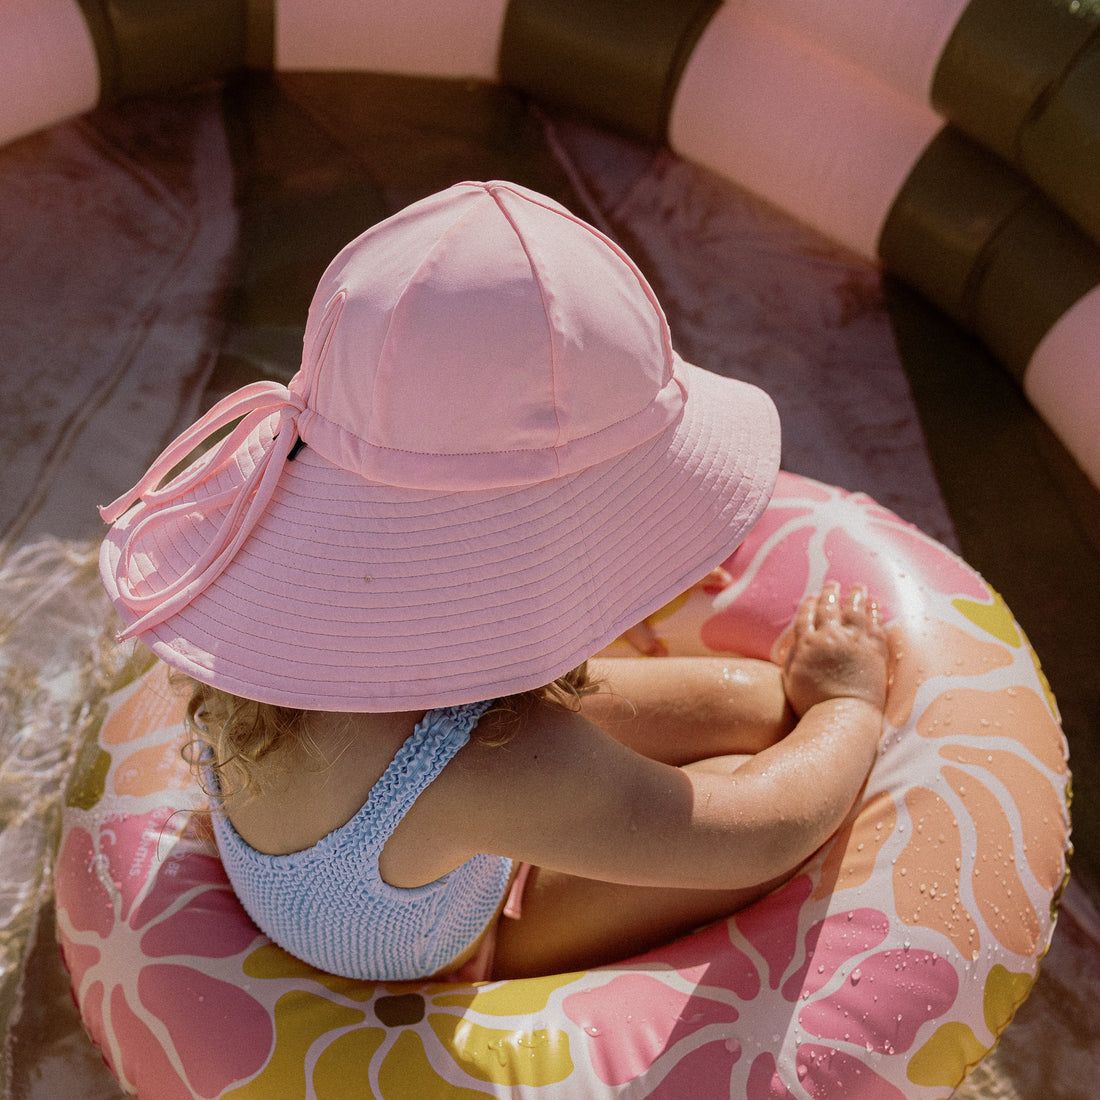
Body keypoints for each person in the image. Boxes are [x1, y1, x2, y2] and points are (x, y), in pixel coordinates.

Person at [98, 180, 890, 984]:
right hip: (453, 939)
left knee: (753, 704)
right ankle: (496, 955)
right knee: (748, 795)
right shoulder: (497, 767)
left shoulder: (254, 600)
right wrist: (847, 706)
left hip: (383, 823)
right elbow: (757, 834)